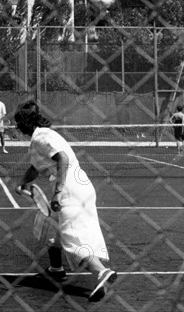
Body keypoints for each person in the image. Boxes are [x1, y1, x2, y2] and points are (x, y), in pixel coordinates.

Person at [14, 100, 117, 302]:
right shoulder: (44, 136)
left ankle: (100, 272)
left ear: (25, 123)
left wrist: (59, 191)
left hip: (69, 191)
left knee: (73, 239)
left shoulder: (40, 138)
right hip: (80, 187)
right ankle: (56, 269)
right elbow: (36, 167)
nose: (17, 127)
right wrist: (21, 183)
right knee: (55, 231)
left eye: (18, 123)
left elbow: (63, 159)